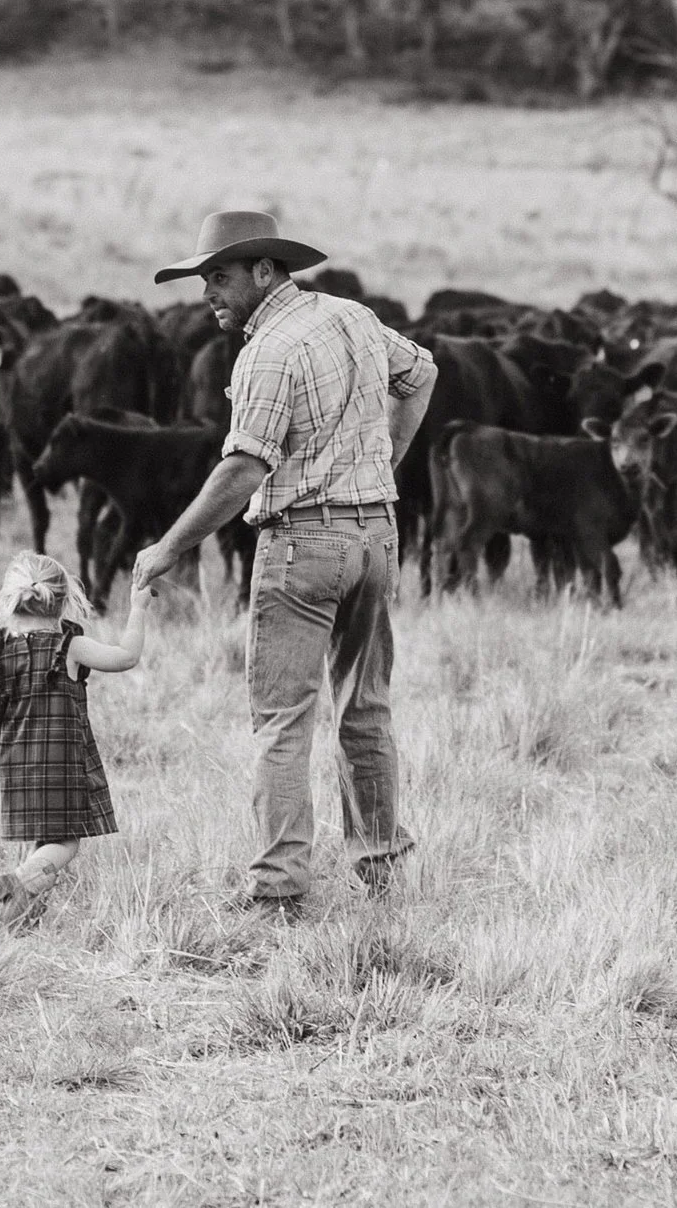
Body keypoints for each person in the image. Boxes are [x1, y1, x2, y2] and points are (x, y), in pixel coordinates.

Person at [130, 210, 436, 918]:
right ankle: (382, 867)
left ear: (265, 270)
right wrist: (386, 460)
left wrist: (169, 546)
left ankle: (278, 888)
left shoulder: (266, 351)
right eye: (204, 277)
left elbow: (243, 466)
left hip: (301, 543)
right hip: (376, 536)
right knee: (366, 709)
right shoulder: (354, 317)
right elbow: (422, 374)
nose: (208, 291)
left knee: (282, 720)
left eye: (219, 276)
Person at [0, 552, 151, 930]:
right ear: (63, 600)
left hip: (17, 767)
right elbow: (127, 657)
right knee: (65, 844)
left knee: (40, 844)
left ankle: (17, 920)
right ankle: (21, 880)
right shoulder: (70, 646)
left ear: (10, 600)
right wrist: (138, 608)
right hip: (63, 766)